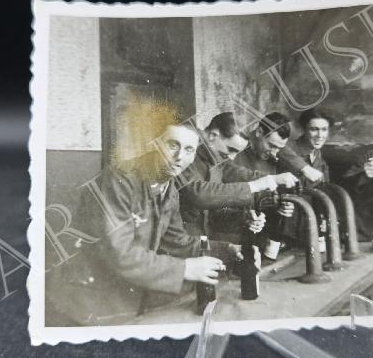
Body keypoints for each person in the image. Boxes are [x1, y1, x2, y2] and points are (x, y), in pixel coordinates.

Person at [45, 122, 227, 326]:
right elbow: (119, 253)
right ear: (153, 144)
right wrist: (184, 269)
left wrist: (226, 250)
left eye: (188, 150)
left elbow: (175, 241)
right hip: (85, 301)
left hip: (124, 295)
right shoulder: (119, 180)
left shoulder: (169, 187)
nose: (179, 157)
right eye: (172, 145)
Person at [179, 112, 298, 238]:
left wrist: (245, 218)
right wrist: (258, 184)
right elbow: (200, 194)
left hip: (201, 239)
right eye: (231, 149)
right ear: (213, 135)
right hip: (182, 240)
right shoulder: (186, 151)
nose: (232, 157)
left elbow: (237, 172)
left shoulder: (215, 157)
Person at [233, 112, 297, 259]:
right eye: (271, 145)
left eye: (279, 148)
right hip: (235, 234)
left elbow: (269, 194)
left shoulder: (271, 159)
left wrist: (280, 204)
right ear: (259, 132)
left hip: (261, 236)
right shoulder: (236, 152)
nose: (274, 153)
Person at [277, 106, 333, 184]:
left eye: (324, 129)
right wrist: (305, 168)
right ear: (304, 129)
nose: (320, 135)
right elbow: (280, 148)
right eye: (314, 129)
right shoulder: (287, 147)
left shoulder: (318, 157)